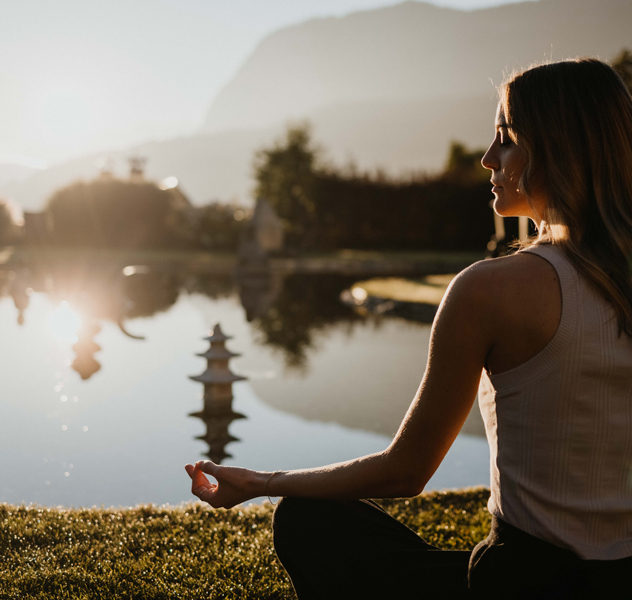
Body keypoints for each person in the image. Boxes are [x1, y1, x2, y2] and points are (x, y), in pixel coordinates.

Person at [185, 58, 632, 599]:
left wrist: (263, 483)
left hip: (523, 582)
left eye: (507, 138)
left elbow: (406, 471)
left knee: (310, 520)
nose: (488, 158)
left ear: (559, 150)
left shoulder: (489, 290)